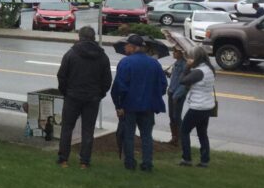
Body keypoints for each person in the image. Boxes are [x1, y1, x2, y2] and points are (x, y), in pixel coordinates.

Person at [55, 25, 112, 168]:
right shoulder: (102, 56)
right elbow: (107, 80)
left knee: (67, 128)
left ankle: (63, 159)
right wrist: (100, 94)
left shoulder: (71, 54)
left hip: (72, 96)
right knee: (88, 130)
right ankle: (84, 162)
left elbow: (62, 76)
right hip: (92, 98)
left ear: (79, 37)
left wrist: (65, 91)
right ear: (94, 38)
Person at [111, 33, 167, 172]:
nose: (125, 48)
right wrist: (153, 97)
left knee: (129, 135)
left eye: (127, 46)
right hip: (148, 106)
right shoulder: (154, 63)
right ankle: (147, 163)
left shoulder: (125, 63)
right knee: (147, 136)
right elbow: (162, 85)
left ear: (133, 47)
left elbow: (119, 87)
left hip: (129, 107)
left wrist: (119, 106)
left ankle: (130, 163)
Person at [178, 49, 216, 167]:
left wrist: (187, 67)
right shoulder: (209, 69)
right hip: (207, 106)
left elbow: (182, 81)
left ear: (197, 58)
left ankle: (187, 158)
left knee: (184, 131)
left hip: (197, 107)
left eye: (192, 57)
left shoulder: (199, 71)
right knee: (202, 133)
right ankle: (205, 160)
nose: (190, 59)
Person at [166, 45, 188, 146]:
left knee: (176, 116)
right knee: (171, 116)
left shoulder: (184, 65)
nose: (173, 53)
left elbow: (184, 83)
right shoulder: (176, 63)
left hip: (177, 95)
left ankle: (180, 139)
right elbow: (175, 78)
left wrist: (176, 95)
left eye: (175, 51)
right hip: (171, 92)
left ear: (181, 53)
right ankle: (174, 137)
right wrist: (168, 74)